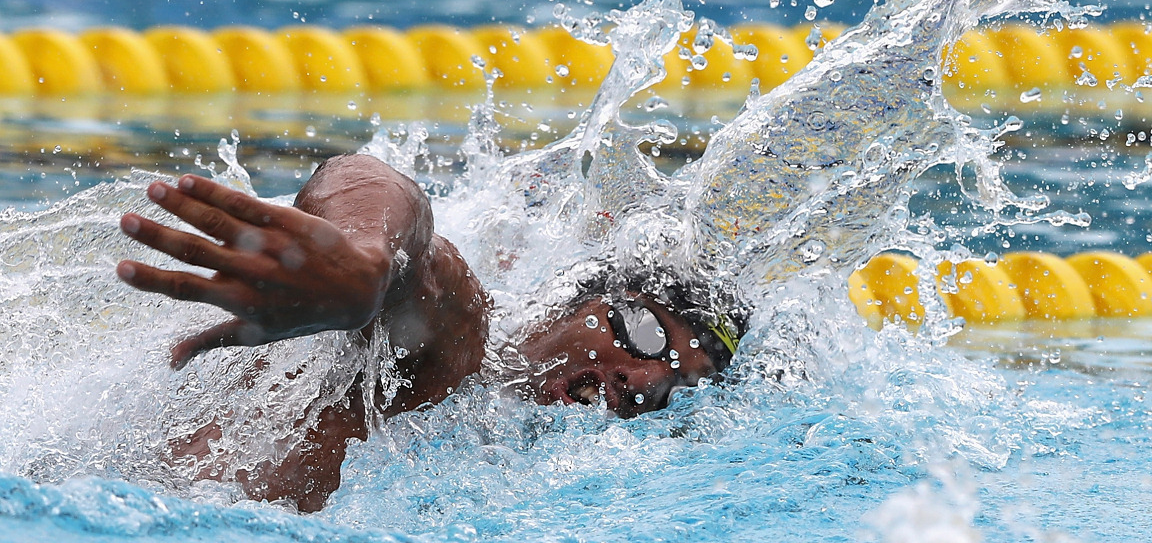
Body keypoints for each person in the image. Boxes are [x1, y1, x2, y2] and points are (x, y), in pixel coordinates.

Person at [116, 153, 747, 512]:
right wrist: (367, 260)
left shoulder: (532, 477)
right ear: (582, 299)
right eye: (643, 334)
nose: (643, 379)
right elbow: (389, 197)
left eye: (672, 387)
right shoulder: (469, 344)